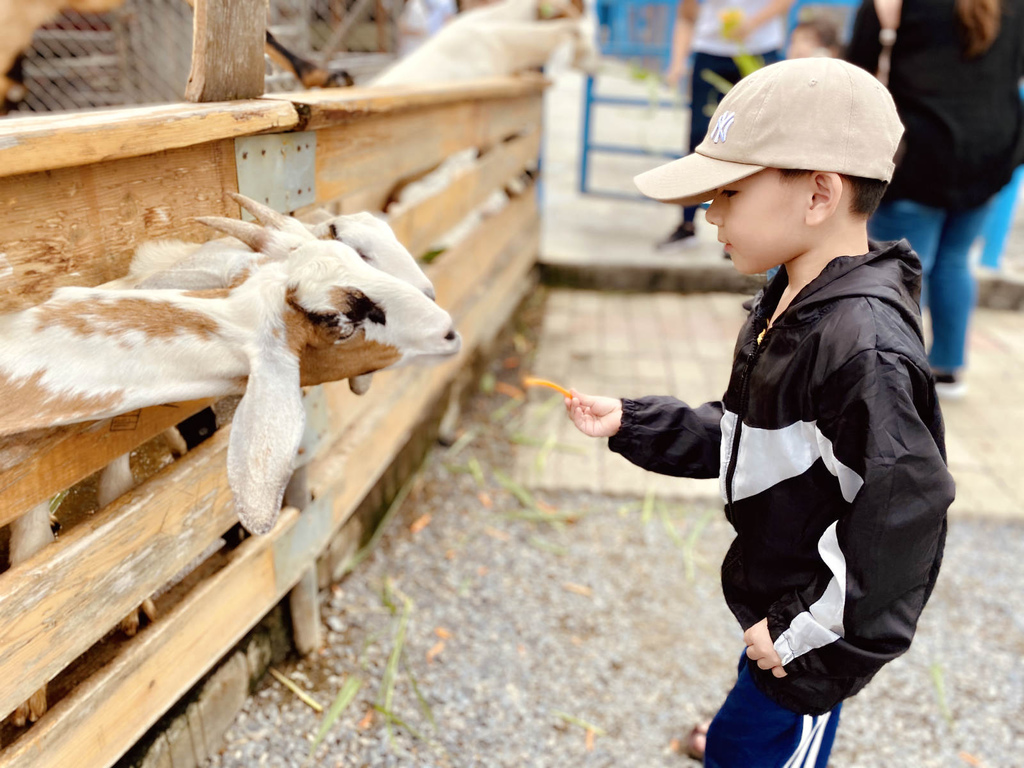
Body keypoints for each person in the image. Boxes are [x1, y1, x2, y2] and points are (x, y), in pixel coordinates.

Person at [565, 58, 954, 766]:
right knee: (741, 743)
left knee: (752, 747)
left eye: (729, 192)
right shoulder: (792, 303)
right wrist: (638, 422)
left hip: (809, 636)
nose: (709, 212)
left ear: (818, 196)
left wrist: (805, 637)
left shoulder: (862, 348)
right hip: (783, 609)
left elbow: (903, 521)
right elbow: (762, 438)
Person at [846, 0, 1024, 399]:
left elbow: (855, 74)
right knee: (955, 259)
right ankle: (947, 369)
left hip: (919, 153)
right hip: (991, 151)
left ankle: (891, 373)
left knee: (900, 269)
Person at [658, 0, 795, 252]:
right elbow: (686, 15)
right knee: (700, 140)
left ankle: (747, 229)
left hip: (759, 51)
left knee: (757, 143)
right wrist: (677, 63)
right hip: (710, 53)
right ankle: (688, 224)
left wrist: (752, 23)